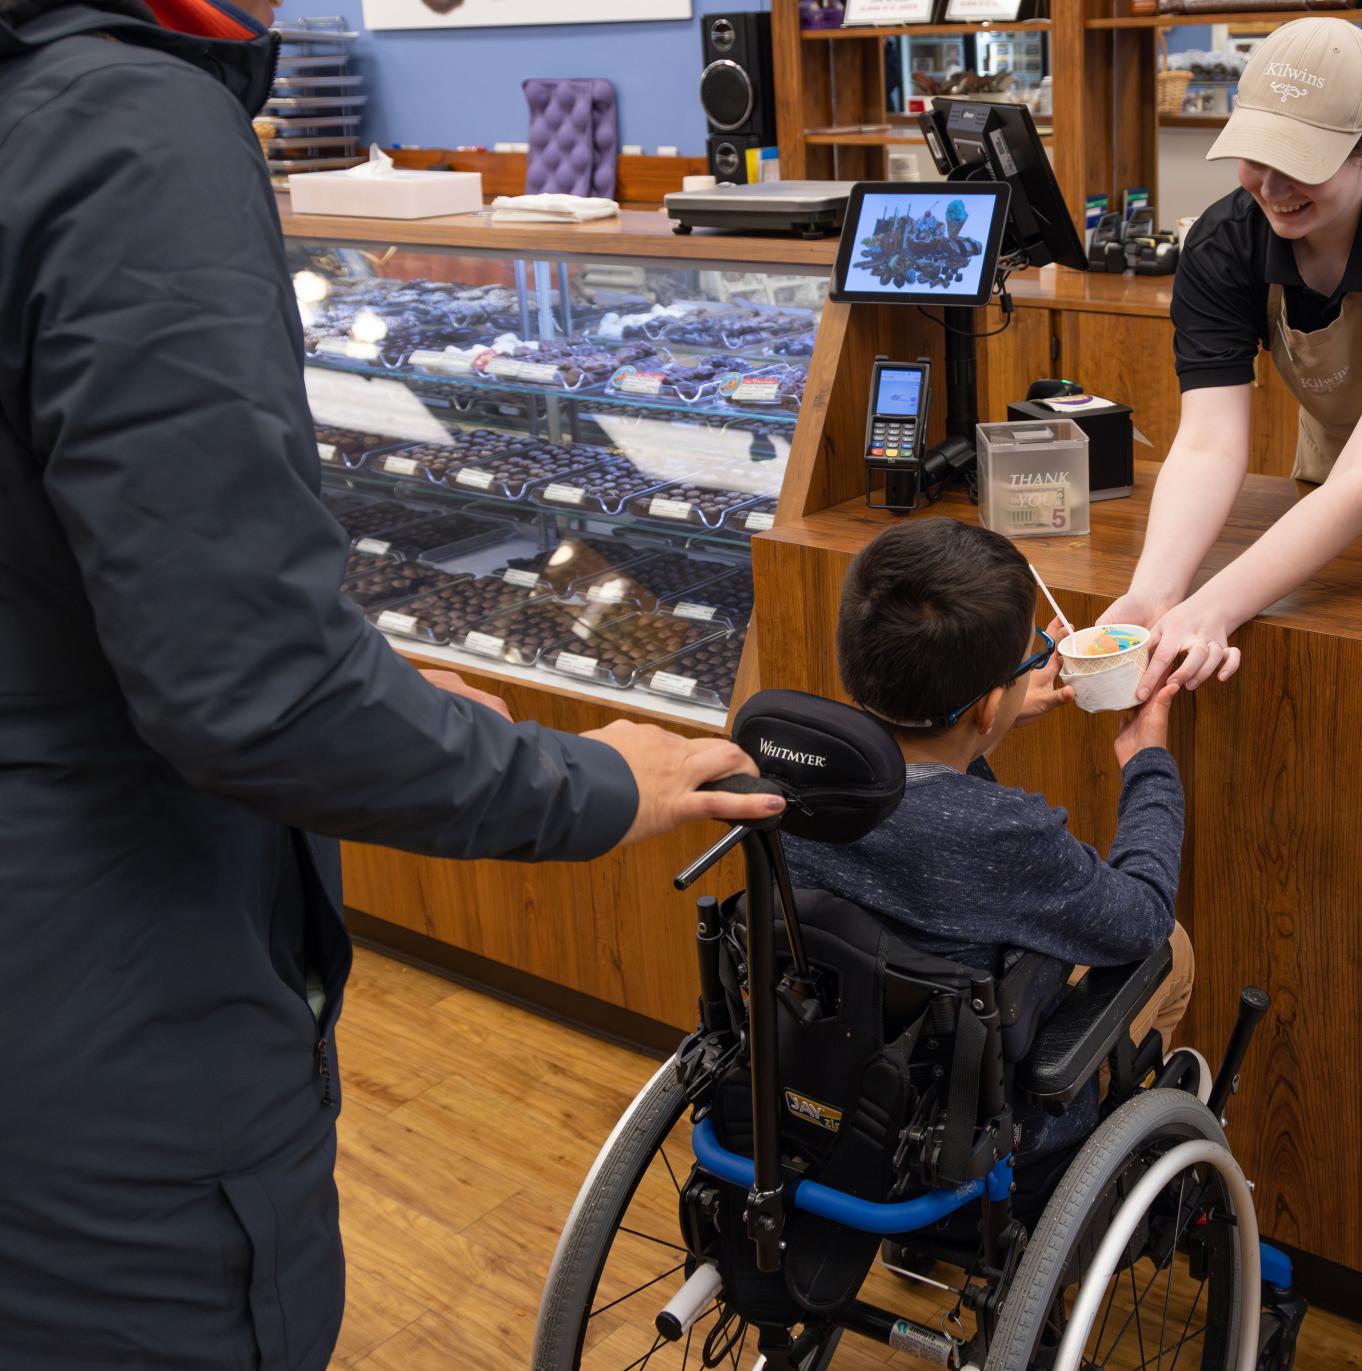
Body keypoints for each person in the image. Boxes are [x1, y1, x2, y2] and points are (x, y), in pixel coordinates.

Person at [0, 0, 780, 1366]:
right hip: (116, 1024)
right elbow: (256, 691)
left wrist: (344, 656)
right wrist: (596, 777)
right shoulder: (135, 126)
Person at [1103, 18, 1362, 698]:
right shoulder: (1222, 245)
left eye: (1303, 162)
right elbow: (1206, 443)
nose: (1273, 186)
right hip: (1334, 487)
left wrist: (1219, 604)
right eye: (1258, 154)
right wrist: (1156, 592)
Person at [781, 519, 1198, 1163]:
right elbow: (1141, 914)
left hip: (829, 1072)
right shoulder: (1005, 835)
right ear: (983, 707)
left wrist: (990, 720)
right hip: (974, 1125)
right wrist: (1148, 764)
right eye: (1028, 657)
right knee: (1173, 946)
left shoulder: (787, 764)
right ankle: (1108, 1132)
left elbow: (922, 795)